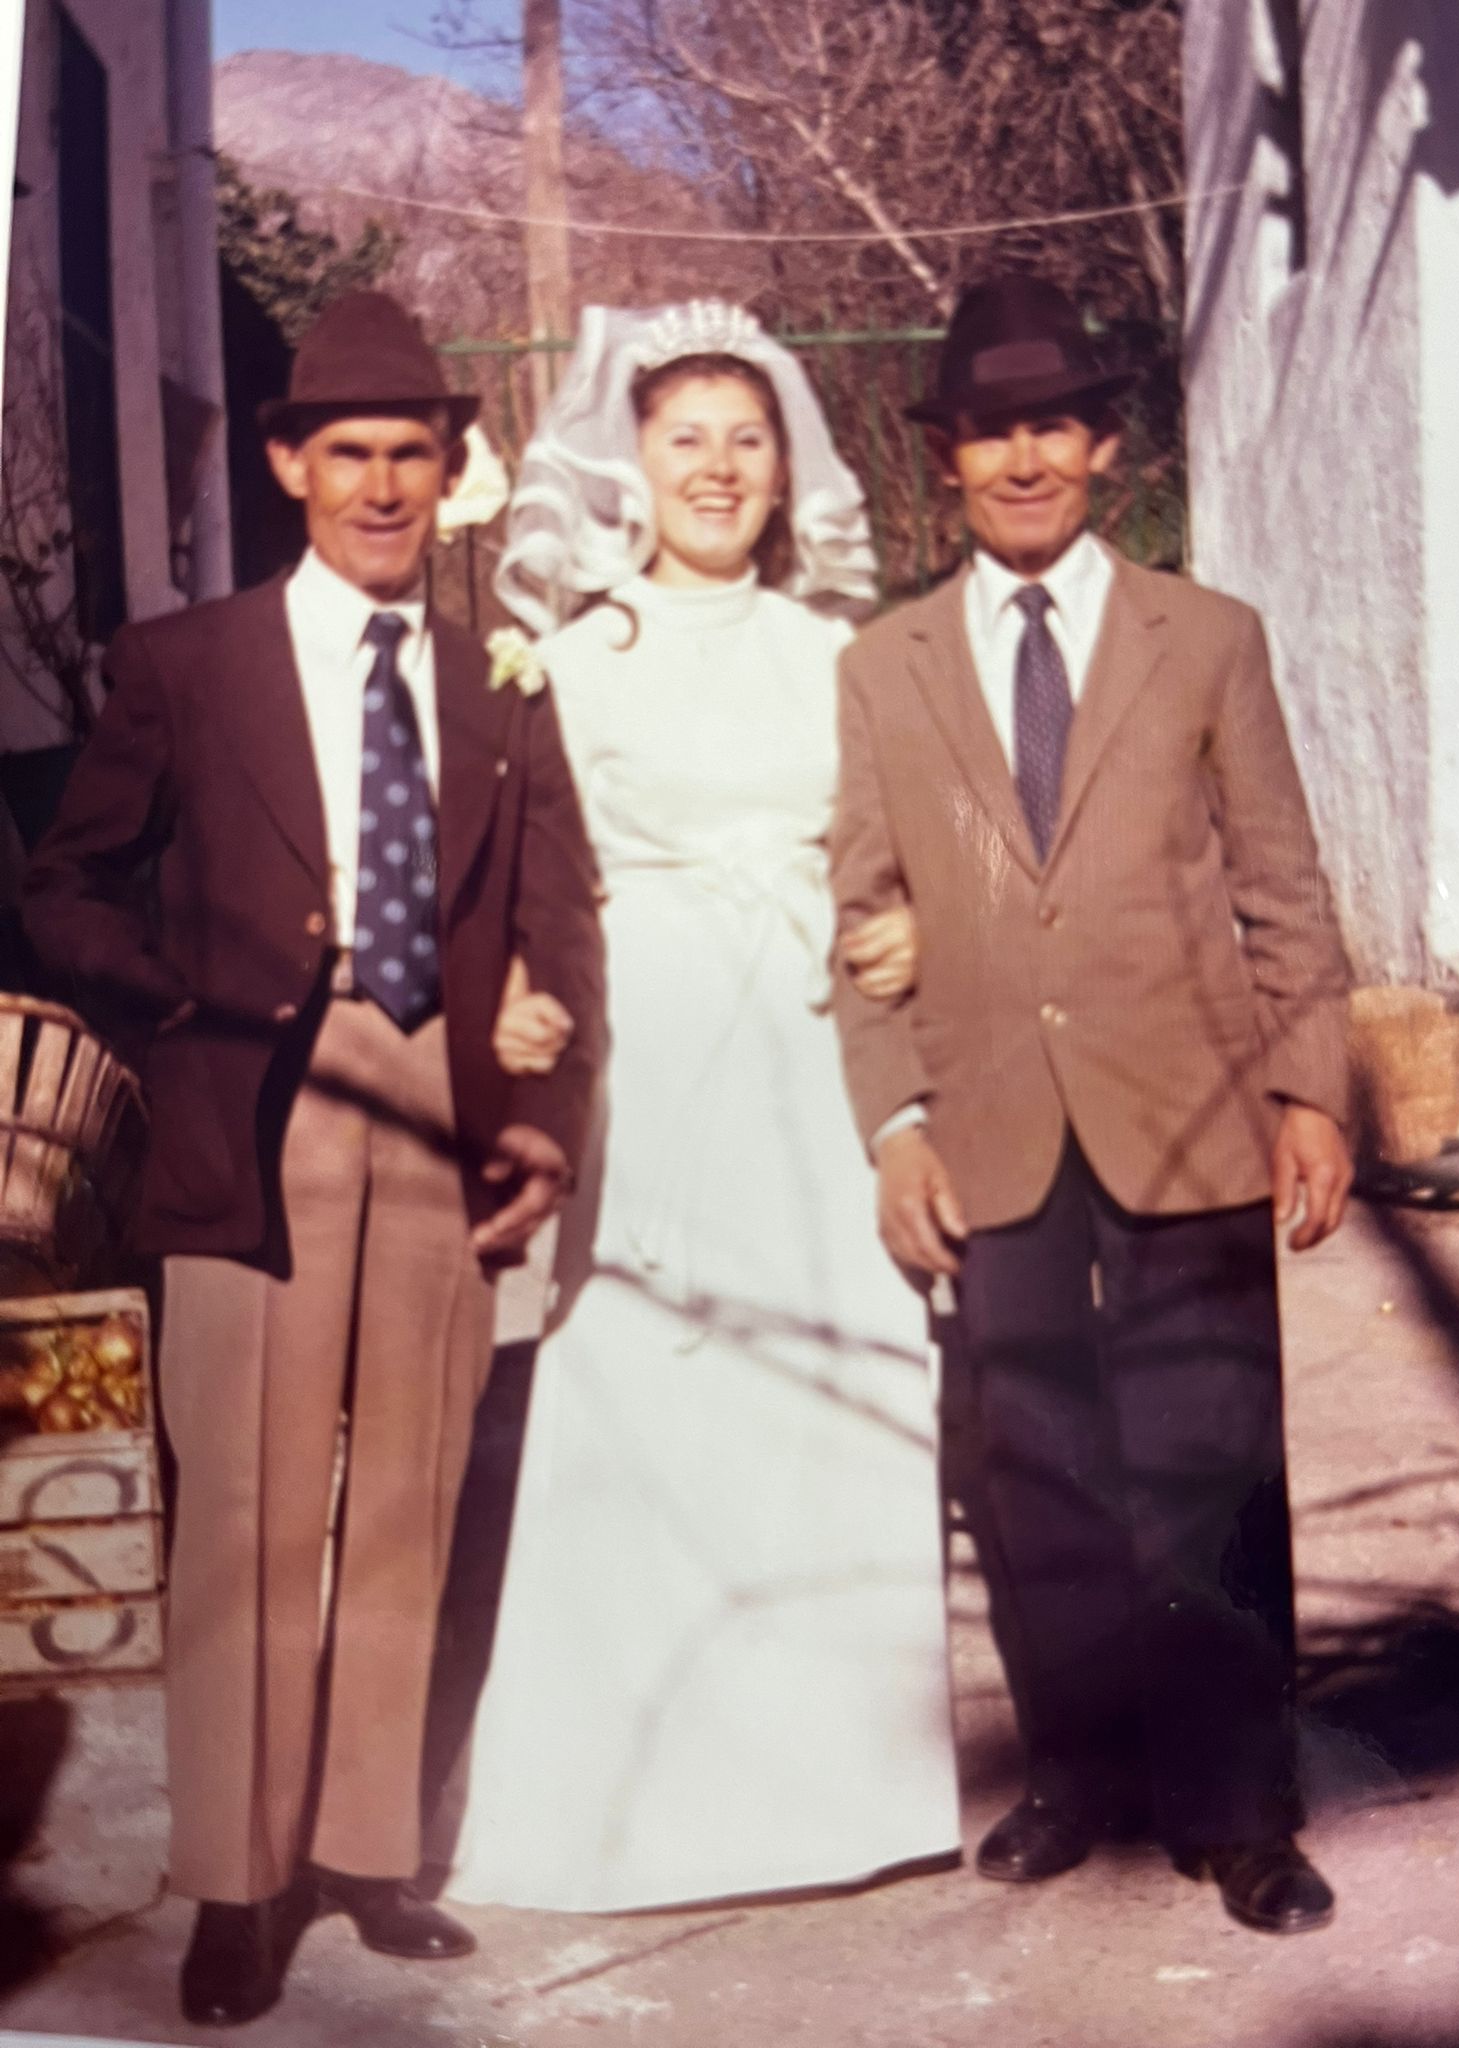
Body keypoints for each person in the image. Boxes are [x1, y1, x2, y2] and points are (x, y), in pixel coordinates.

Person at [23, 292, 605, 2025]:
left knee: (410, 1487)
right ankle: (236, 1877)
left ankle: (364, 1852)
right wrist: (180, 999)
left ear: (449, 470)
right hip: (247, 1102)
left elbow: (563, 920)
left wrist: (548, 1110)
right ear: (290, 467)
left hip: (437, 1096)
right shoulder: (187, 664)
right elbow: (65, 884)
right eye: (346, 453)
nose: (380, 487)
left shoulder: (496, 683)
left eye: (409, 455)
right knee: (248, 1510)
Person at [829, 273, 1354, 1936]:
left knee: (1211, 1464)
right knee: (1037, 1469)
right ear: (947, 458)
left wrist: (1311, 1086)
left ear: (1106, 446)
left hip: (1190, 1106)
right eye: (991, 433)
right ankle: (1079, 1776)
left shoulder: (1209, 639)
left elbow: (1282, 879)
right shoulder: (888, 666)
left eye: (1052, 426)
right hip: (992, 1121)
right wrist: (896, 1123)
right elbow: (864, 914)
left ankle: (1241, 1812)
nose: (1023, 460)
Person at [448, 300, 961, 1912]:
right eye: (687, 439)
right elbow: (518, 884)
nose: (719, 468)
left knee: (825, 1374)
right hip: (653, 1049)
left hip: (811, 1044)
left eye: (749, 439)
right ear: (632, 462)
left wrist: (917, 922)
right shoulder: (568, 660)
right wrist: (515, 1005)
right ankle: (631, 1805)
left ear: (786, 465)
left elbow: (908, 853)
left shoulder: (843, 656)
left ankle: (847, 1793)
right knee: (653, 1380)